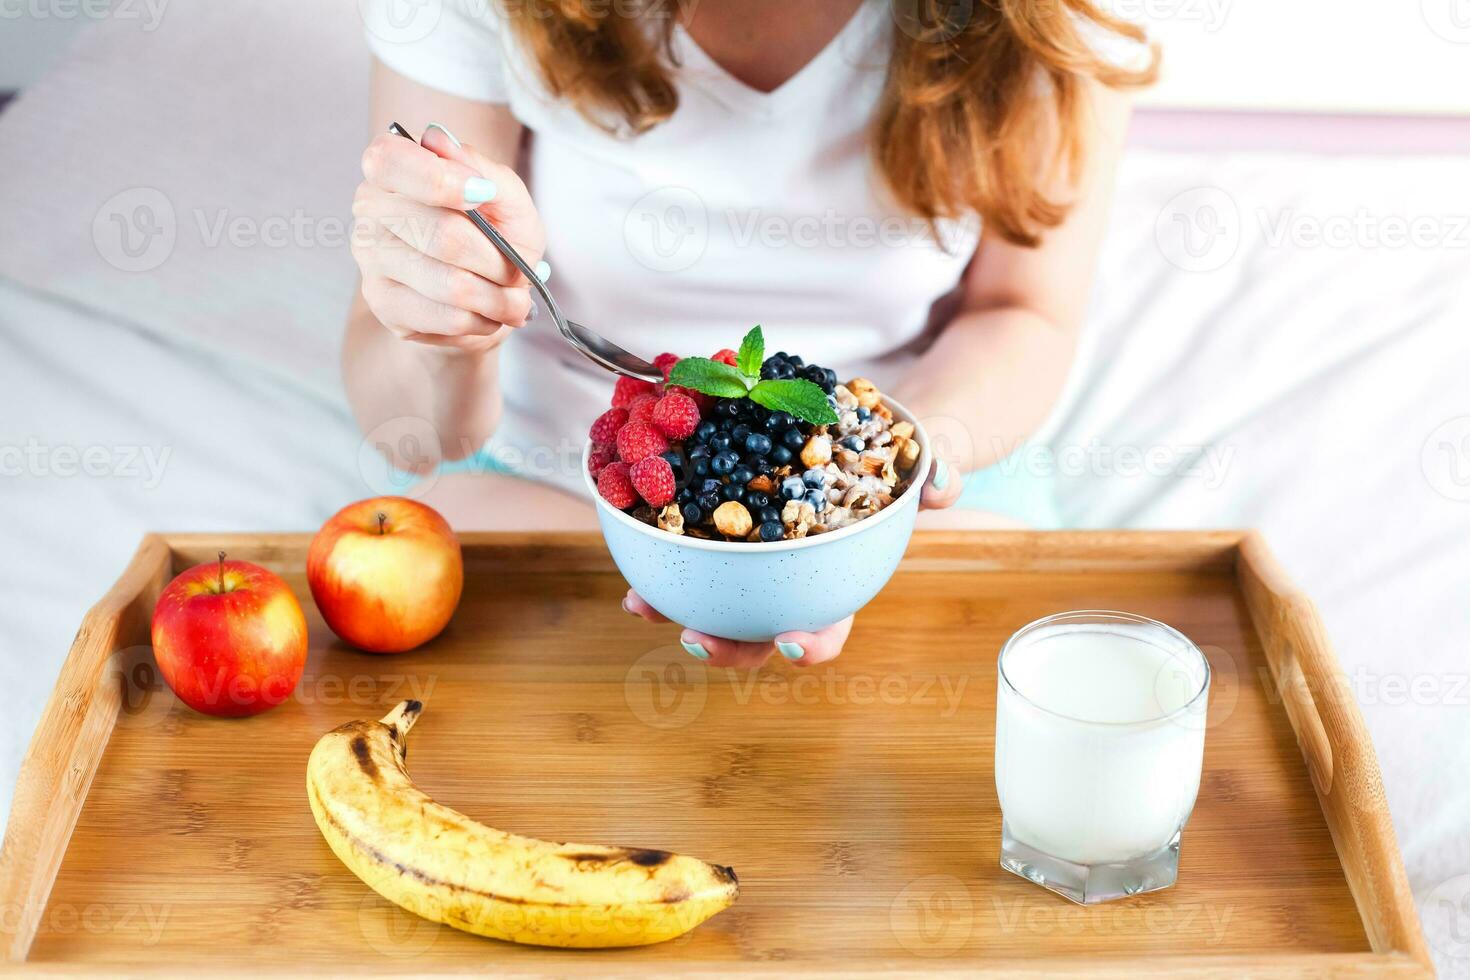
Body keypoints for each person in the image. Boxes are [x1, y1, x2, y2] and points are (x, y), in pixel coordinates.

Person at [346, 0, 1155, 667]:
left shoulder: (1051, 18)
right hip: (560, 465)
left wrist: (882, 484)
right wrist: (453, 324)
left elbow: (1022, 311)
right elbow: (416, 434)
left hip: (929, 456)